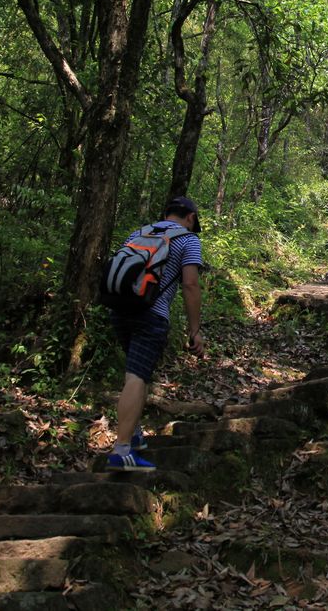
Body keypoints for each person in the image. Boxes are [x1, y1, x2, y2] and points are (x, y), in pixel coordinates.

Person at [106, 196, 205, 471]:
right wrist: (194, 330)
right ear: (191, 218)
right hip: (152, 315)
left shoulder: (140, 232)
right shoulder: (188, 240)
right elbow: (190, 285)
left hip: (120, 310)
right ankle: (122, 450)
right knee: (138, 376)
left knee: (134, 373)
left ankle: (134, 435)